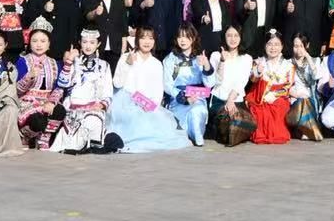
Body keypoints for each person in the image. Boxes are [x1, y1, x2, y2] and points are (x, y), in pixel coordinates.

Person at [108, 25, 190, 153]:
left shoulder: (156, 64)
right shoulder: (126, 57)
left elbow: (158, 91)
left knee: (158, 131)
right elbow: (117, 84)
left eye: (150, 38)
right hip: (126, 104)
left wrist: (151, 106)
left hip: (147, 105)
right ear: (137, 40)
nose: (147, 42)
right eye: (143, 38)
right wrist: (127, 64)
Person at [52, 27, 115, 153]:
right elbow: (62, 83)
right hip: (73, 108)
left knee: (93, 121)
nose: (88, 46)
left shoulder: (104, 65)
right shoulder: (73, 62)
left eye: (92, 42)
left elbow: (108, 91)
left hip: (94, 107)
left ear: (98, 44)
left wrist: (102, 105)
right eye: (85, 42)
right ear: (80, 43)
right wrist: (69, 61)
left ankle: (95, 145)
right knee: (72, 145)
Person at [162, 23, 213, 146]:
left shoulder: (199, 58)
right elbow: (167, 84)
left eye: (186, 36)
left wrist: (206, 65)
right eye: (180, 37)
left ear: (193, 38)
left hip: (197, 97)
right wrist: (183, 97)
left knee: (197, 110)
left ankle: (197, 136)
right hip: (178, 99)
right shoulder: (171, 59)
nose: (183, 40)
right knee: (181, 124)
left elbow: (210, 84)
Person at [245, 30, 297, 145]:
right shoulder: (258, 61)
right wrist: (258, 72)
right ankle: (261, 135)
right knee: (259, 110)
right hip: (259, 96)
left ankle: (277, 134)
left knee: (278, 107)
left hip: (279, 96)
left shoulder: (288, 65)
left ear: (282, 46)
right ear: (265, 46)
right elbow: (253, 80)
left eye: (276, 44)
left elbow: (288, 86)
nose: (273, 48)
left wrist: (274, 94)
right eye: (270, 44)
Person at [286, 33, 330, 140]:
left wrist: (308, 57)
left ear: (307, 45)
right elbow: (285, 83)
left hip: (311, 97)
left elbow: (317, 76)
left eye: (302, 46)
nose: (298, 49)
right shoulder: (288, 63)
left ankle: (304, 130)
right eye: (296, 46)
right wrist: (294, 93)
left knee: (305, 100)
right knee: (301, 100)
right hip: (294, 96)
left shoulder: (315, 61)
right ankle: (307, 130)